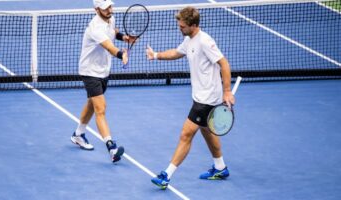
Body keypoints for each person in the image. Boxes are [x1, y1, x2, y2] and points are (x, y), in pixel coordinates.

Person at [146, 6, 235, 189]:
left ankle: (166, 175)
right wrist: (156, 55)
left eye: (182, 26)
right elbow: (176, 53)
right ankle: (220, 167)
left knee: (186, 134)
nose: (180, 28)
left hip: (207, 99)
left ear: (193, 25)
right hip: (201, 96)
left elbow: (224, 64)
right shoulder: (189, 39)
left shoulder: (205, 41)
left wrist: (227, 91)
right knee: (207, 131)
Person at [71, 0, 134, 163]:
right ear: (96, 9)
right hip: (90, 71)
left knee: (92, 103)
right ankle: (111, 147)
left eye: (110, 6)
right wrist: (121, 54)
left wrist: (125, 38)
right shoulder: (95, 28)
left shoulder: (110, 19)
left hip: (103, 70)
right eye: (106, 8)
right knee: (101, 108)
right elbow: (109, 46)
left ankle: (78, 134)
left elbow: (113, 32)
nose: (109, 10)